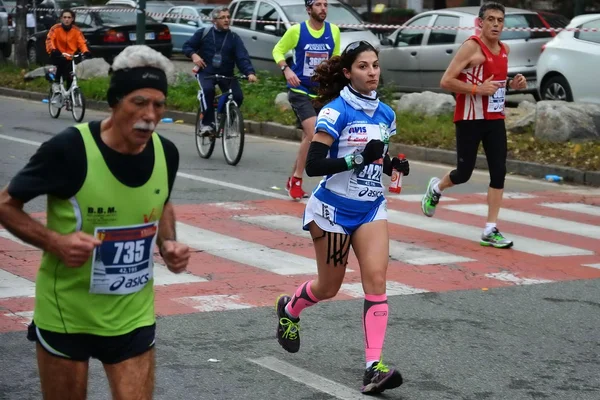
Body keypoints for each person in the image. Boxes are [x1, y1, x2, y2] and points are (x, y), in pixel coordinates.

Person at [0, 45, 190, 400]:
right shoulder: (70, 150)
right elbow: (6, 204)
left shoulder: (167, 152)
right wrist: (55, 242)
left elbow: (161, 201)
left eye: (158, 105)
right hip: (68, 314)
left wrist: (168, 244)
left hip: (133, 315)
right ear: (115, 101)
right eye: (138, 102)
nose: (149, 115)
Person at [274, 40, 409, 395]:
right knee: (329, 286)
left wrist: (393, 164)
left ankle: (372, 368)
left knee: (376, 281)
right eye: (363, 66)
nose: (372, 72)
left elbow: (377, 156)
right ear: (348, 73)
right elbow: (316, 164)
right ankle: (290, 310)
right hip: (332, 210)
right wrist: (357, 159)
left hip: (369, 207)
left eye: (375, 65)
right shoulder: (336, 113)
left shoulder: (386, 114)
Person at [420, 1, 527, 249]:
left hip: (495, 119)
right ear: (480, 22)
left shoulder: (504, 50)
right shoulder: (471, 47)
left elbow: (496, 83)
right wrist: (477, 89)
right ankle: (436, 187)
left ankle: (490, 229)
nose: (496, 24)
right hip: (469, 118)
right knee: (464, 173)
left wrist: (513, 85)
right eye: (490, 19)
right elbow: (446, 81)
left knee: (498, 171)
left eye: (500, 20)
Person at [272, 0, 341, 200]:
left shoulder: (333, 30)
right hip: (300, 91)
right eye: (318, 5)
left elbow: (336, 58)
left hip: (322, 93)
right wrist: (286, 69)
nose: (323, 9)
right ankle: (330, 184)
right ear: (309, 9)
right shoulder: (297, 31)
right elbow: (277, 50)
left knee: (308, 139)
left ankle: (295, 179)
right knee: (316, 135)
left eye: (326, 5)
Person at [182, 6, 257, 136]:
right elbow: (187, 46)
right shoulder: (203, 33)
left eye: (228, 17)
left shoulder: (234, 38)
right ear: (214, 20)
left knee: (237, 96)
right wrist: (194, 55)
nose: (226, 20)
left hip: (226, 74)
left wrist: (249, 72)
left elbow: (242, 57)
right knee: (208, 91)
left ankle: (227, 122)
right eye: (222, 18)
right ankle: (207, 124)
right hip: (206, 73)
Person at [45, 9, 91, 93]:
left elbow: (81, 42)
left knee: (71, 75)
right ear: (61, 19)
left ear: (72, 19)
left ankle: (69, 97)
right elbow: (49, 40)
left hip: (70, 56)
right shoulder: (55, 28)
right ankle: (56, 82)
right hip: (57, 54)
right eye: (65, 17)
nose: (67, 19)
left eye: (69, 17)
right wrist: (53, 50)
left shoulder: (76, 31)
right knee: (62, 62)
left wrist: (85, 51)